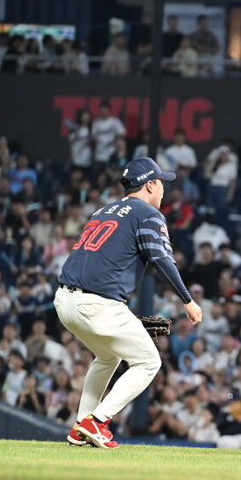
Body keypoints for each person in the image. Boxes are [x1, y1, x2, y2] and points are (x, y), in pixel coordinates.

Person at [53, 157, 203, 448]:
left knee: (109, 357)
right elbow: (160, 258)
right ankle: (96, 421)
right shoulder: (147, 213)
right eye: (161, 183)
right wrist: (188, 300)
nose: (163, 190)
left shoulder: (102, 210)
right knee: (148, 361)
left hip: (64, 301)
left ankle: (81, 425)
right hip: (97, 304)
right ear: (150, 184)